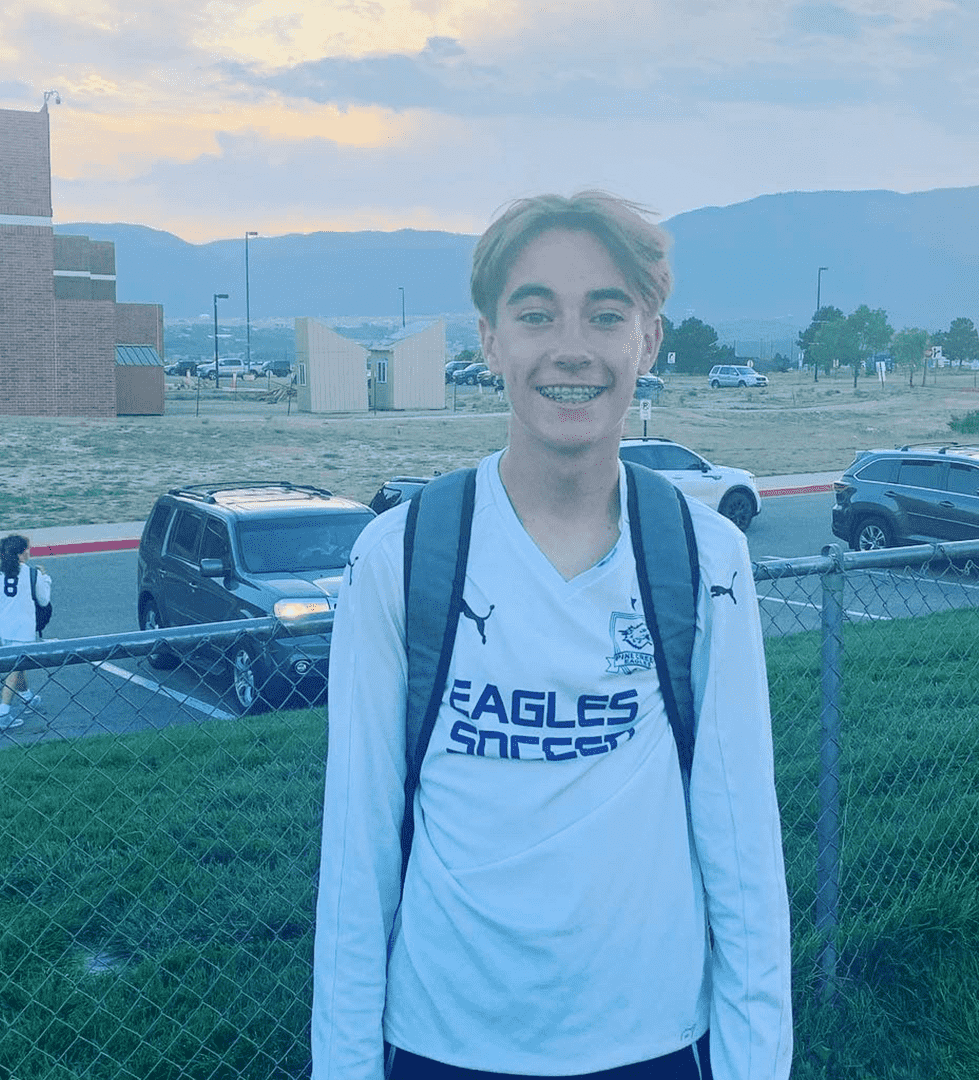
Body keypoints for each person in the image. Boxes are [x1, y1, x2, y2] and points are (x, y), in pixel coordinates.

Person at [313, 192, 792, 1080]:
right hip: (442, 1045)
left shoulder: (704, 556)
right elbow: (355, 851)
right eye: (536, 314)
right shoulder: (402, 555)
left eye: (606, 315)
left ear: (648, 340)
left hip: (654, 1045)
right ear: (491, 340)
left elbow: (744, 848)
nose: (571, 347)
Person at [0, 533, 50, 728]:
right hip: (23, 629)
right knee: (15, 669)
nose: (29, 552)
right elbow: (44, 600)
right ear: (20, 554)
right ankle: (3, 712)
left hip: (4, 628)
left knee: (18, 665)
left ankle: (28, 698)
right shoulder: (31, 573)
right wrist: (45, 578)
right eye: (27, 549)